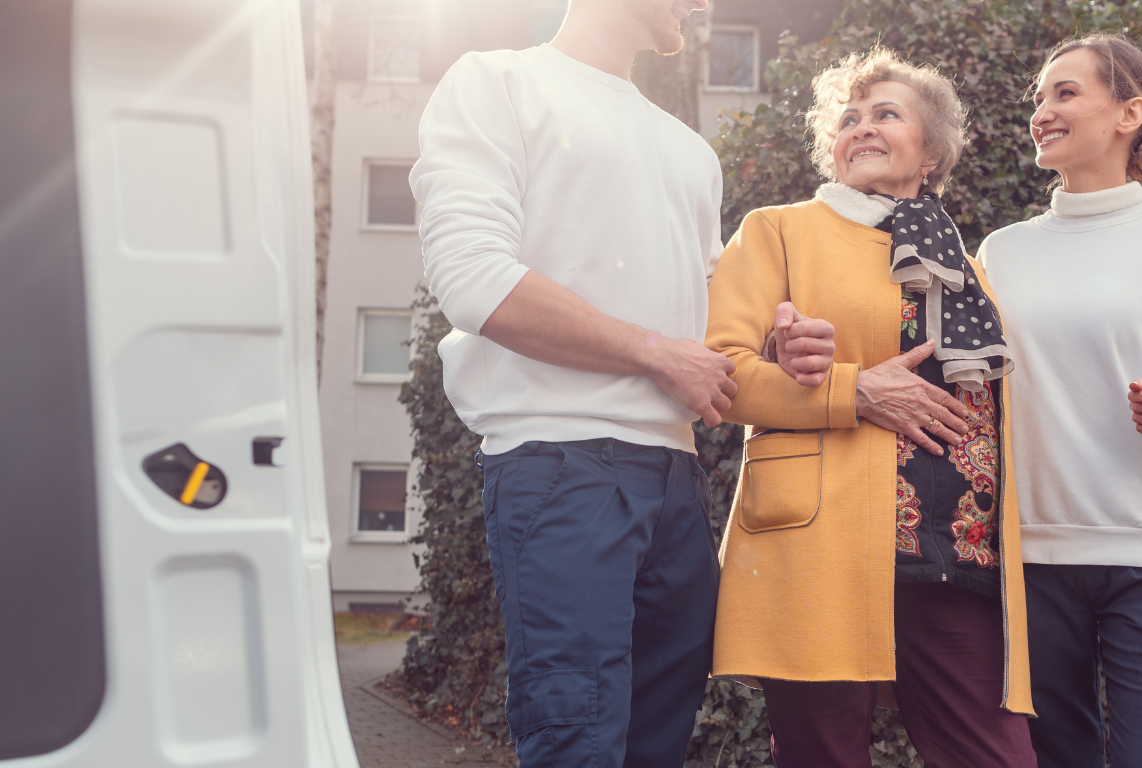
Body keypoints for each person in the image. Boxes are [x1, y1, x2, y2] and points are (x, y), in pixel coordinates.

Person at [409, 1, 835, 765]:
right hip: (560, 465)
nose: (703, 5)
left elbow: (705, 318)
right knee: (577, 741)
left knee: (654, 746)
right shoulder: (497, 83)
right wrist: (656, 355)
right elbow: (475, 279)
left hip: (677, 482)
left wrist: (774, 339)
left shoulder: (690, 151)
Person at [705, 47, 1037, 767]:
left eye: (886, 114)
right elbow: (721, 373)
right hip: (819, 543)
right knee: (821, 755)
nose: (861, 127)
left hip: (957, 554)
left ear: (931, 153)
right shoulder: (778, 229)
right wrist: (851, 391)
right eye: (848, 119)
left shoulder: (965, 264)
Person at [977, 33, 1142, 767]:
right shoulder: (1000, 252)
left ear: (1130, 113)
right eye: (1039, 97)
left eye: (1065, 93)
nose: (1041, 111)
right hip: (1031, 557)